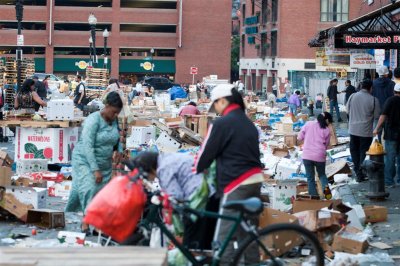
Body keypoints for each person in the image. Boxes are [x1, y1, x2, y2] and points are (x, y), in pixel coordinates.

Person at [195, 84, 263, 265]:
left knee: (223, 238)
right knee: (247, 234)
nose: (215, 108)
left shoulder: (221, 123)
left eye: (215, 104)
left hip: (236, 183)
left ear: (223, 101)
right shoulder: (248, 123)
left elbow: (204, 155)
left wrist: (195, 169)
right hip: (255, 180)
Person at [127, 152, 216, 249]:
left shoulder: (163, 169)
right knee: (205, 242)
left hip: (200, 200)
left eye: (145, 175)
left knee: (191, 244)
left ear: (150, 169)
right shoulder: (167, 158)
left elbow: (176, 197)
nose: (146, 178)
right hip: (210, 194)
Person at [65, 91, 123, 235]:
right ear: (107, 106)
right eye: (114, 112)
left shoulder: (114, 120)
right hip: (85, 160)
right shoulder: (93, 120)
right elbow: (87, 146)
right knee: (89, 188)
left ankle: (89, 222)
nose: (115, 115)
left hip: (104, 163)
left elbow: (117, 137)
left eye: (118, 113)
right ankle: (89, 223)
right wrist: (95, 169)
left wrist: (119, 150)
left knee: (100, 193)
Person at [347, 79, 381, 182]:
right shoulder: (374, 100)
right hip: (366, 132)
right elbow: (376, 116)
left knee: (354, 151)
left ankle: (358, 171)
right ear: (371, 88)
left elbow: (347, 110)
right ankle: (360, 173)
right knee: (363, 152)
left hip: (353, 130)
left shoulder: (352, 96)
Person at [298, 112, 332, 198]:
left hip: (307, 155)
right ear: (326, 120)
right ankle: (327, 194)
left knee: (310, 178)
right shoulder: (326, 130)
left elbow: (299, 137)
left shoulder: (308, 124)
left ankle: (313, 197)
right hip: (320, 156)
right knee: (322, 175)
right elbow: (326, 144)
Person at [373, 83, 400, 187]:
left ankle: (389, 181)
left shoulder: (390, 100)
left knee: (390, 158)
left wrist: (377, 128)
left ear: (394, 91)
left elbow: (383, 116)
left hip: (391, 134)